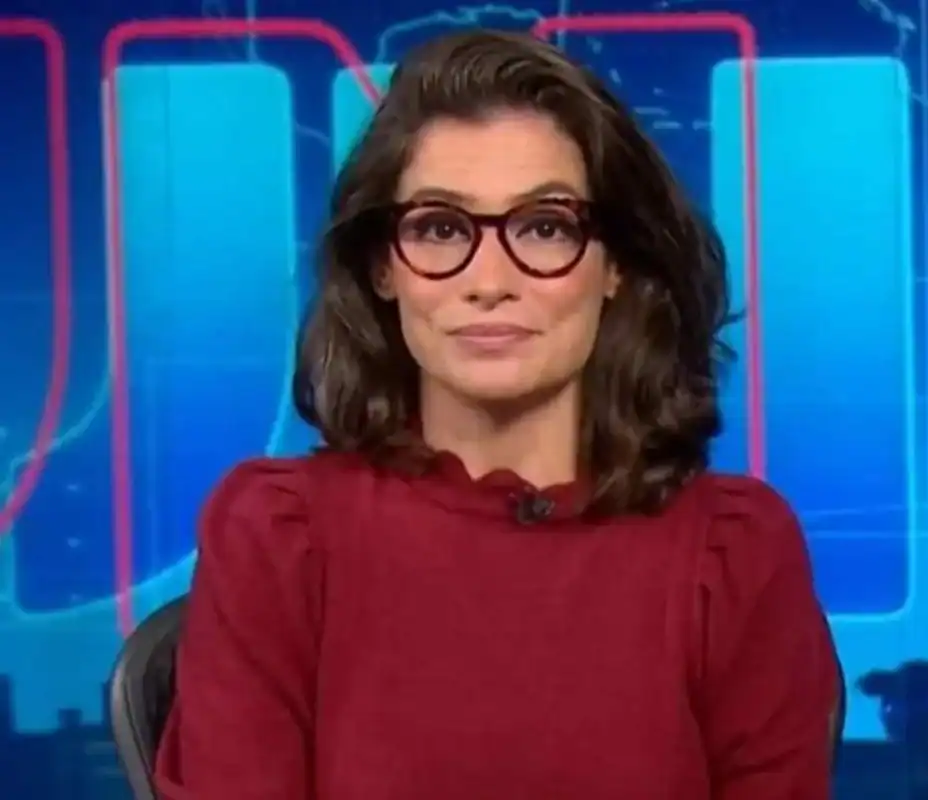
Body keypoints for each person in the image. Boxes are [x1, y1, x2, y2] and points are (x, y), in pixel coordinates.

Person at [153, 28, 839, 800]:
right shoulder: (280, 538)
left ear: (615, 263)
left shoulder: (733, 552)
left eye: (544, 227)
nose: (488, 280)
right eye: (439, 228)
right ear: (383, 267)